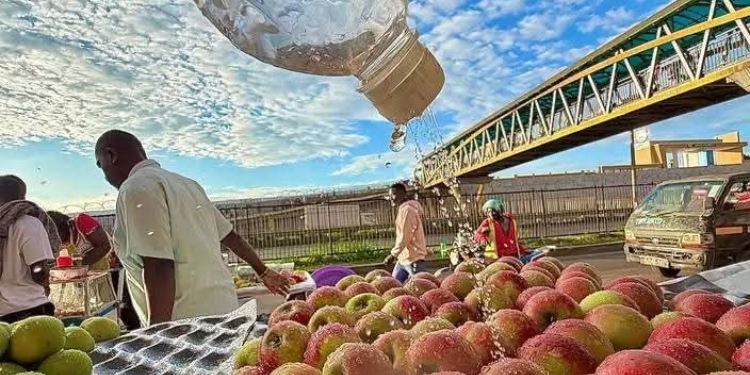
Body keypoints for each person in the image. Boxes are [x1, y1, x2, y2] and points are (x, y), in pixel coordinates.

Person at [94, 130, 290, 326]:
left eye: (100, 164)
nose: (104, 176)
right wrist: (263, 272)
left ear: (111, 156)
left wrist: (158, 335)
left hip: (186, 325)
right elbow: (231, 237)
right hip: (225, 310)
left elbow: (159, 264)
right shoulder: (187, 184)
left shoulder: (135, 187)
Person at [0, 175, 61, 323]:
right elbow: (39, 268)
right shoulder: (28, 223)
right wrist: (45, 284)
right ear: (22, 196)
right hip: (29, 309)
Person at [384, 182, 427, 283]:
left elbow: (405, 236)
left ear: (402, 194)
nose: (391, 198)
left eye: (393, 195)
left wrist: (393, 254)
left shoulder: (408, 211)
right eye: (389, 195)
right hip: (403, 259)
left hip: (414, 259)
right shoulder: (403, 210)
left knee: (419, 290)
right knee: (394, 286)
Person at [475, 199, 542, 264]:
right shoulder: (488, 222)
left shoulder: (511, 221)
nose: (491, 214)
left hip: (514, 256)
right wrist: (482, 239)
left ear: (500, 210)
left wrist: (524, 251)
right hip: (497, 259)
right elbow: (478, 234)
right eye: (488, 212)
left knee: (538, 254)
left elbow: (514, 240)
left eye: (493, 211)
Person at [47, 211, 112, 271]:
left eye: (63, 242)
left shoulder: (84, 221)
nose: (64, 245)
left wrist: (80, 265)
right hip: (82, 272)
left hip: (99, 269)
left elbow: (105, 246)